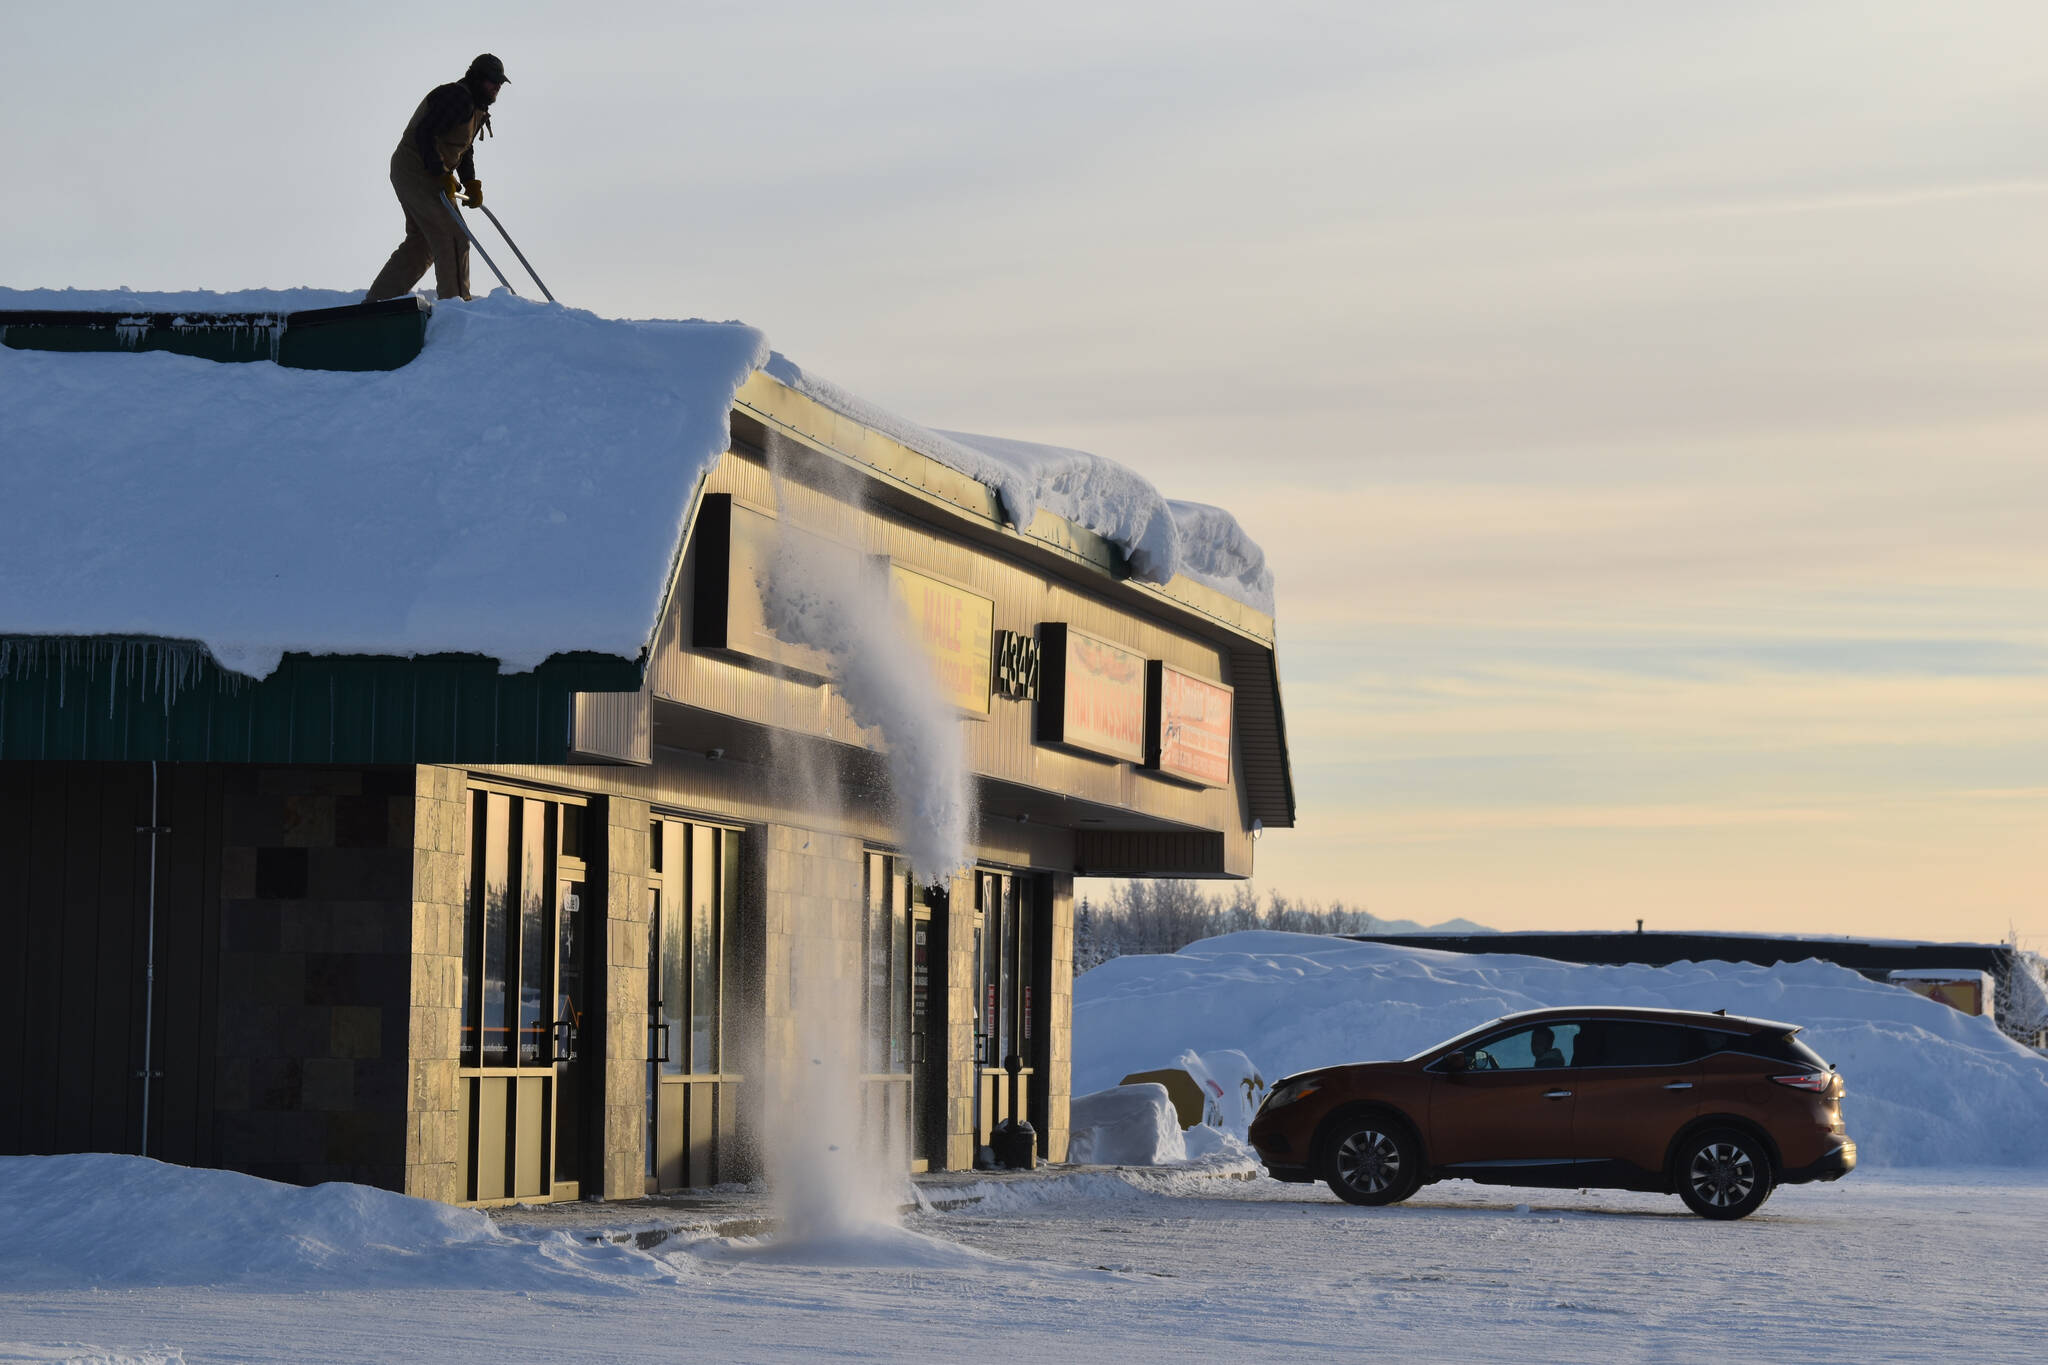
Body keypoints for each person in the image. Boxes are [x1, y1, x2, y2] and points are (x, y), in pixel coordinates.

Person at [365, 54, 509, 303]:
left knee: (424, 242)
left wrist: (471, 182)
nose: (496, 87)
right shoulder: (457, 98)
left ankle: (378, 302)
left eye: (499, 83)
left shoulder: (475, 107)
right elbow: (425, 134)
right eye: (492, 81)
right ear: (477, 79)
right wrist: (440, 173)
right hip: (417, 169)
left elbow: (463, 150)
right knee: (453, 236)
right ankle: (457, 307)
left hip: (427, 172)